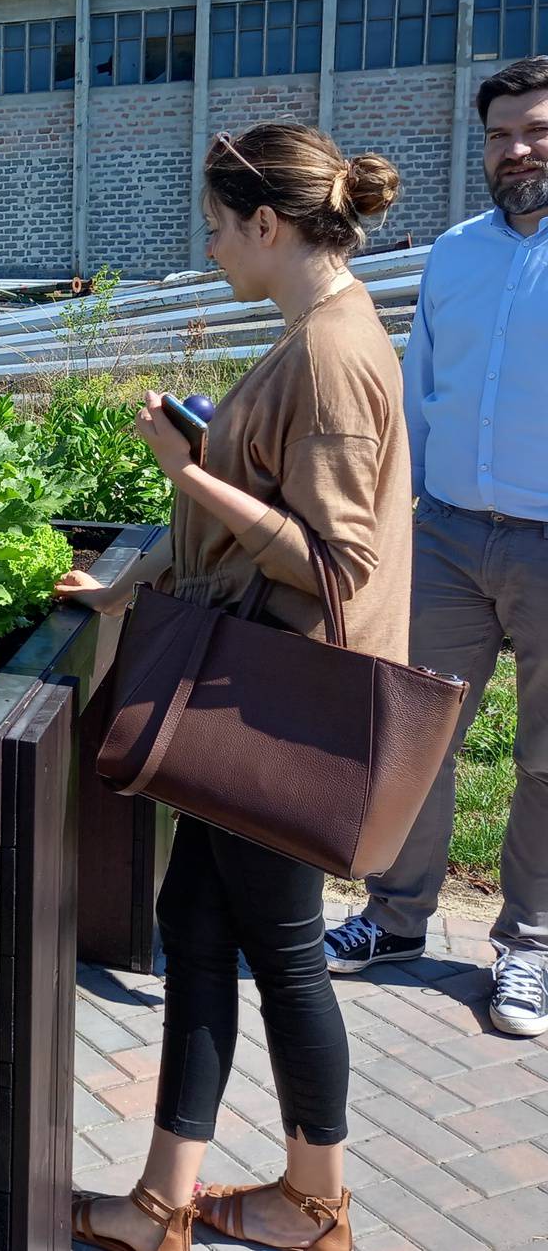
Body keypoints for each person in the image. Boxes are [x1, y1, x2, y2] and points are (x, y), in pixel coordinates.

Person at [57, 123, 410, 1251]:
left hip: (280, 698)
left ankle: (313, 1205)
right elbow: (265, 511)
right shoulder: (317, 333)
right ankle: (167, 1200)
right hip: (256, 686)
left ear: (268, 224)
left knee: (287, 955)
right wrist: (124, 587)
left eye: (217, 226)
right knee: (197, 925)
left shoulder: (334, 351)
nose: (210, 247)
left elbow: (335, 563)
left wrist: (187, 474)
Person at [322, 55, 548, 1039]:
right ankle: (397, 918)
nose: (519, 149)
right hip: (448, 535)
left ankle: (531, 946)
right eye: (501, 134)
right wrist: (390, 517)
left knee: (547, 762)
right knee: (417, 737)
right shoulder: (455, 254)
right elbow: (415, 395)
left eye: (536, 130)